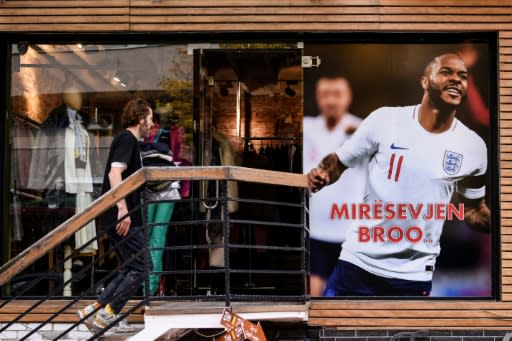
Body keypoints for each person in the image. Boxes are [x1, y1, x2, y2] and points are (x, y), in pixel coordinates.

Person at [307, 53, 490, 296]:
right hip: (357, 265)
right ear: (425, 82)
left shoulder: (473, 147)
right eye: (446, 72)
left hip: (412, 276)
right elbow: (338, 161)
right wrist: (323, 173)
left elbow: (474, 211)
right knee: (330, 331)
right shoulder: (386, 120)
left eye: (463, 76)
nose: (456, 79)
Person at [77, 98, 153, 331]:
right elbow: (114, 174)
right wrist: (123, 209)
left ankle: (94, 310)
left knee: (130, 267)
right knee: (143, 266)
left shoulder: (129, 141)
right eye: (149, 118)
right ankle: (107, 315)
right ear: (140, 118)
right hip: (121, 215)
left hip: (120, 215)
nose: (152, 123)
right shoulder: (127, 139)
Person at [303, 77, 368, 296]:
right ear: (317, 97)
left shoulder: (363, 130)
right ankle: (314, 331)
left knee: (350, 293)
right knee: (313, 294)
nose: (331, 100)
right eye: (325, 94)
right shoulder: (306, 129)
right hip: (316, 226)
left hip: (351, 229)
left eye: (337, 94)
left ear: (348, 97)